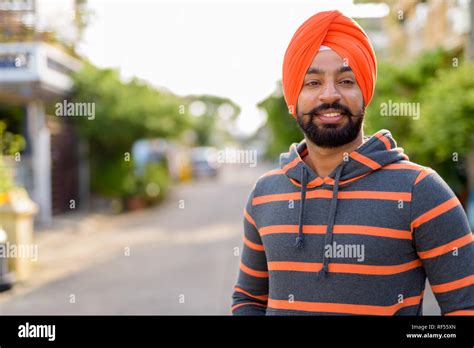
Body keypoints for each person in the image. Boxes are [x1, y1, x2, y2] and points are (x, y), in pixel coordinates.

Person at [231, 10, 473, 315]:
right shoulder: (265, 194)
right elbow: (249, 300)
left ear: (365, 92)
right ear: (293, 97)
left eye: (346, 80)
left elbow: (465, 308)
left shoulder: (421, 192)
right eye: (313, 82)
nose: (329, 95)